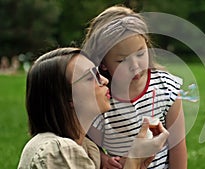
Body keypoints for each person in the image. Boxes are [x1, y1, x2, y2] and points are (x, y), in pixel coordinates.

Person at [17, 47, 169, 169]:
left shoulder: (86, 149)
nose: (104, 80)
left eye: (98, 73)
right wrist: (134, 160)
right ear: (67, 97)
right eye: (91, 77)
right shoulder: (58, 151)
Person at [82, 5, 187, 169]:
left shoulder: (166, 88)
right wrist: (101, 158)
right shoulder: (100, 96)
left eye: (140, 54)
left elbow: (177, 145)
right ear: (103, 64)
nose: (135, 65)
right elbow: (84, 140)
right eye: (122, 60)